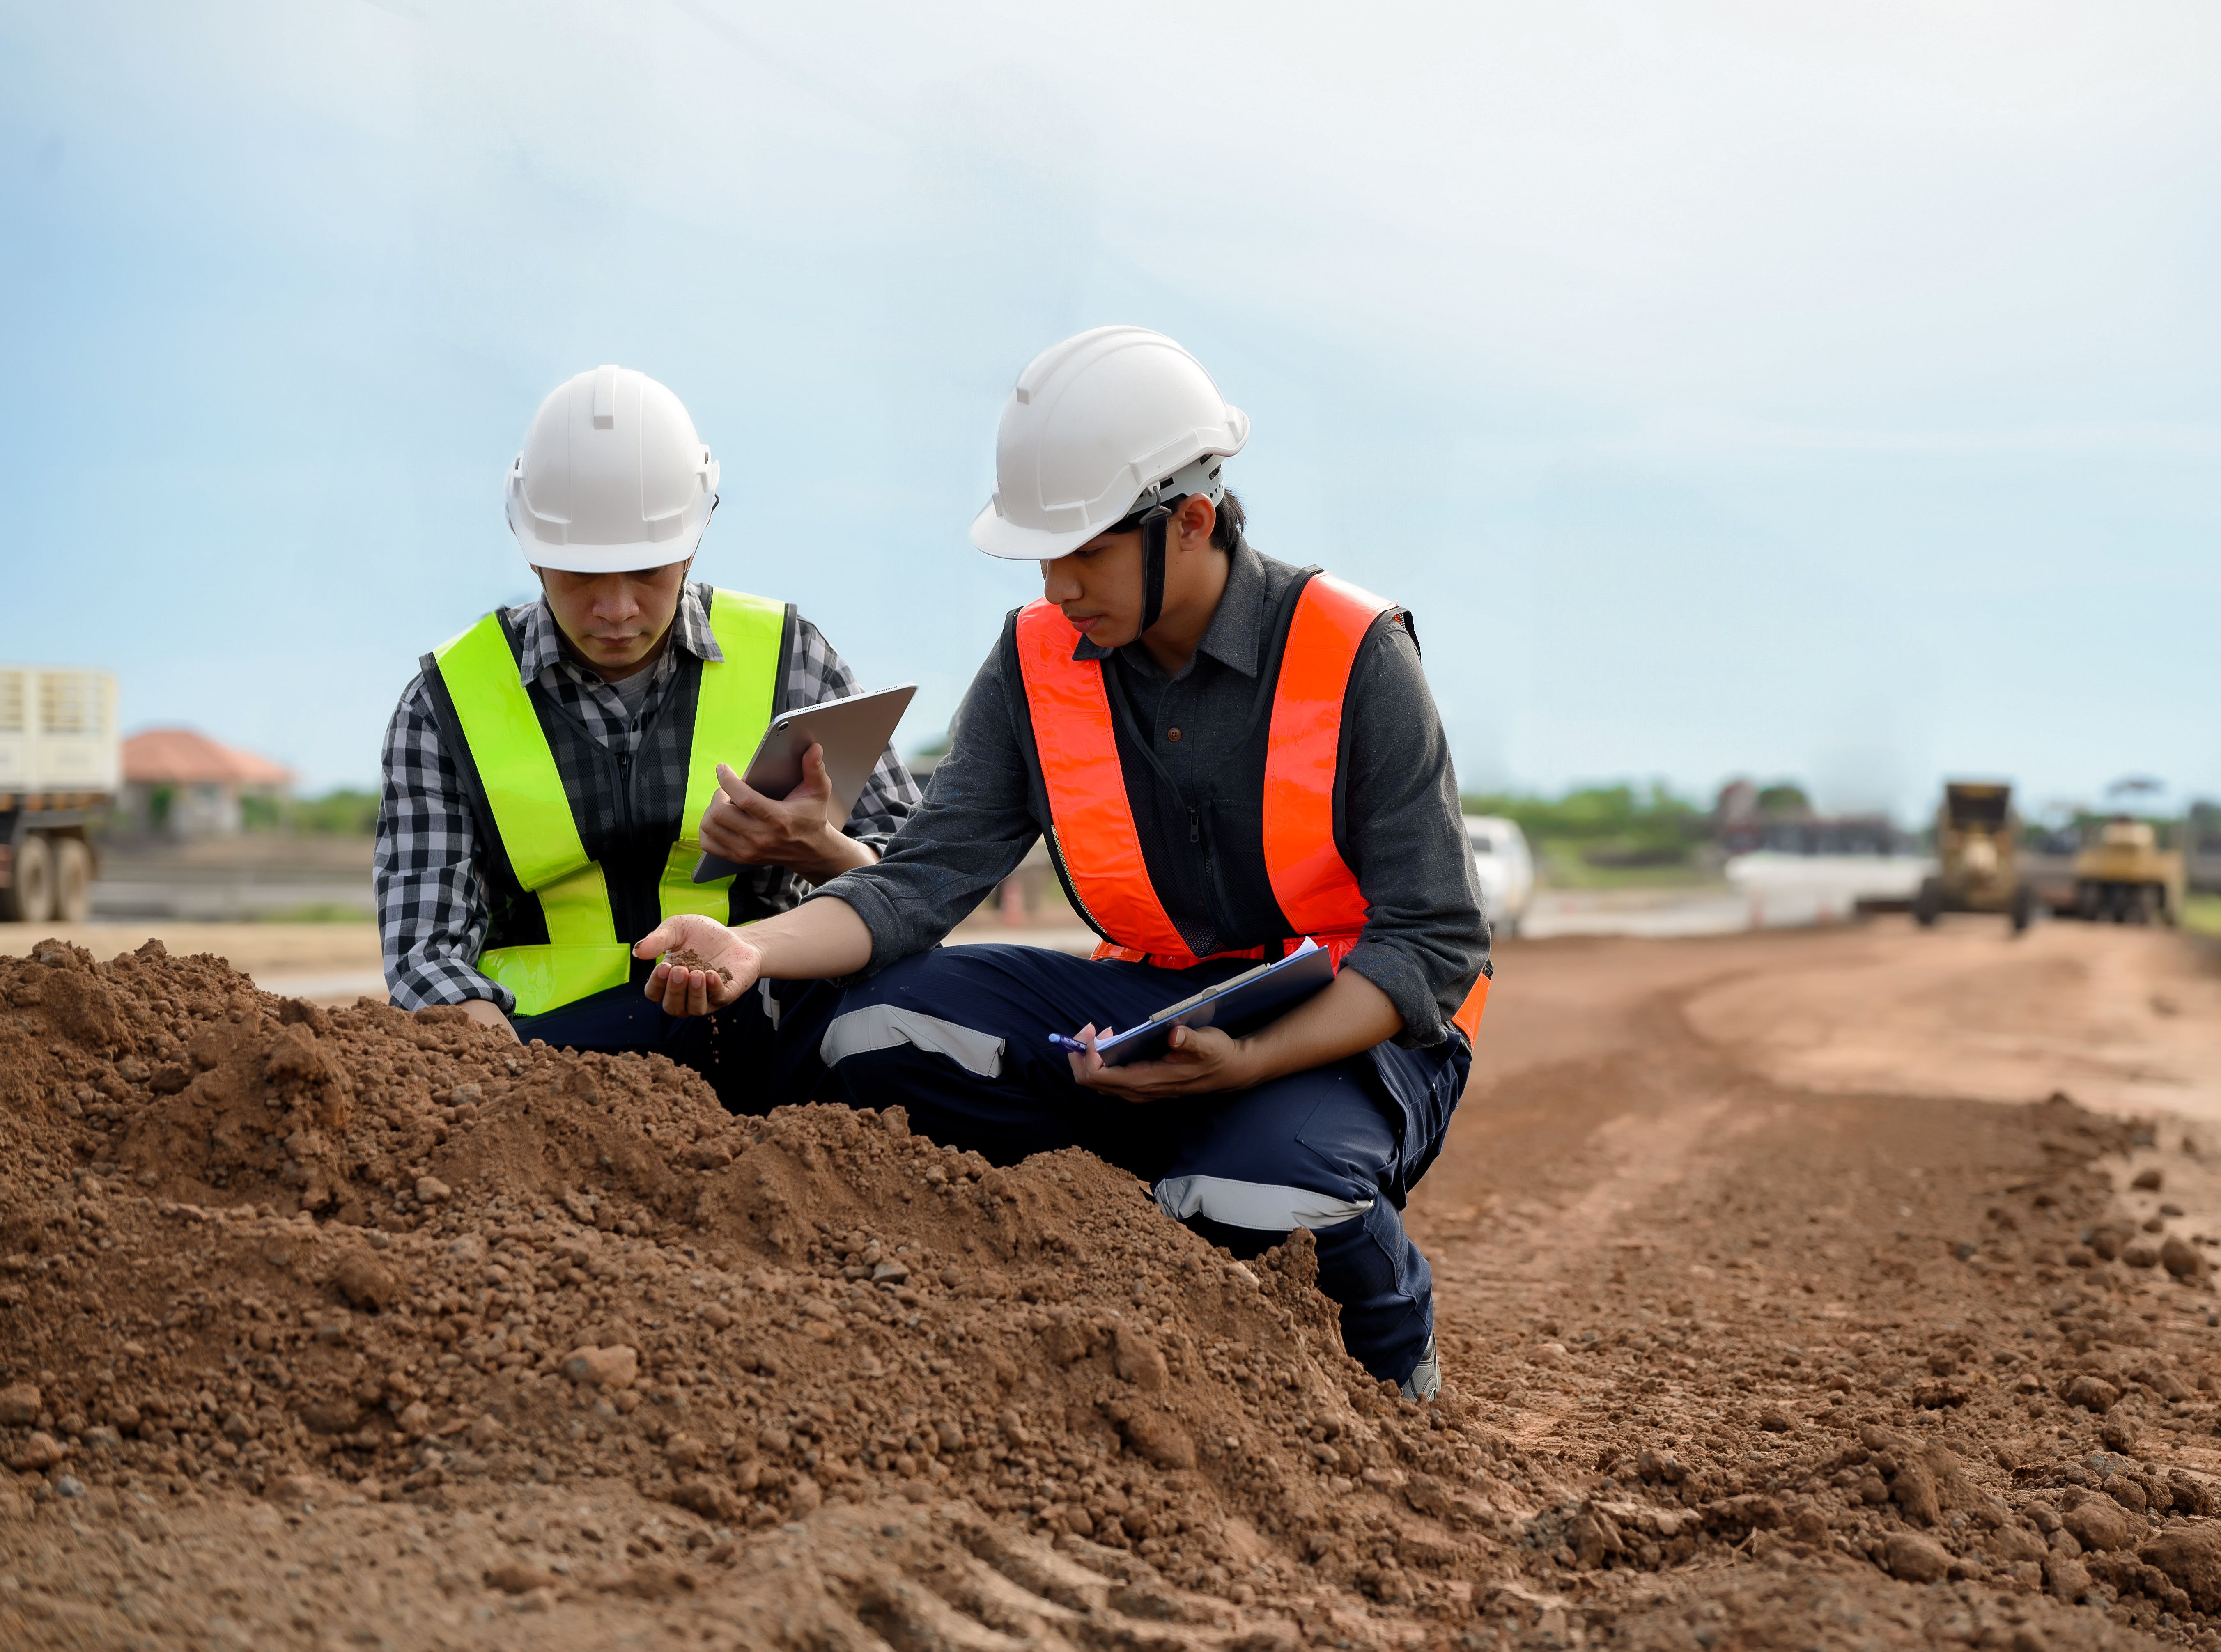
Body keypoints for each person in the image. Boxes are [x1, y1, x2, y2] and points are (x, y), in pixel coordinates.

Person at [632, 327, 1489, 1396]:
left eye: (1084, 550)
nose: (1060, 584)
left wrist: (1252, 1062)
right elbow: (916, 883)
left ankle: (1394, 1364)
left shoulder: (1354, 654)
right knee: (860, 1029)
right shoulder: (1038, 657)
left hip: (1352, 1033)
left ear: (1191, 521)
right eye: (1045, 553)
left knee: (1256, 1204)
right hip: (1152, 1004)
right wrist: (750, 950)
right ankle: (1087, 1254)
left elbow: (1435, 943)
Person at [376, 365, 920, 1107]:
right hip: (543, 1061)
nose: (616, 607)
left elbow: (911, 889)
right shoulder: (445, 705)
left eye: (646, 572)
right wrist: (512, 1094)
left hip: (766, 1043)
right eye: (581, 575)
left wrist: (822, 850)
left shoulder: (793, 662)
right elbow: (425, 957)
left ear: (693, 544)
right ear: (531, 548)